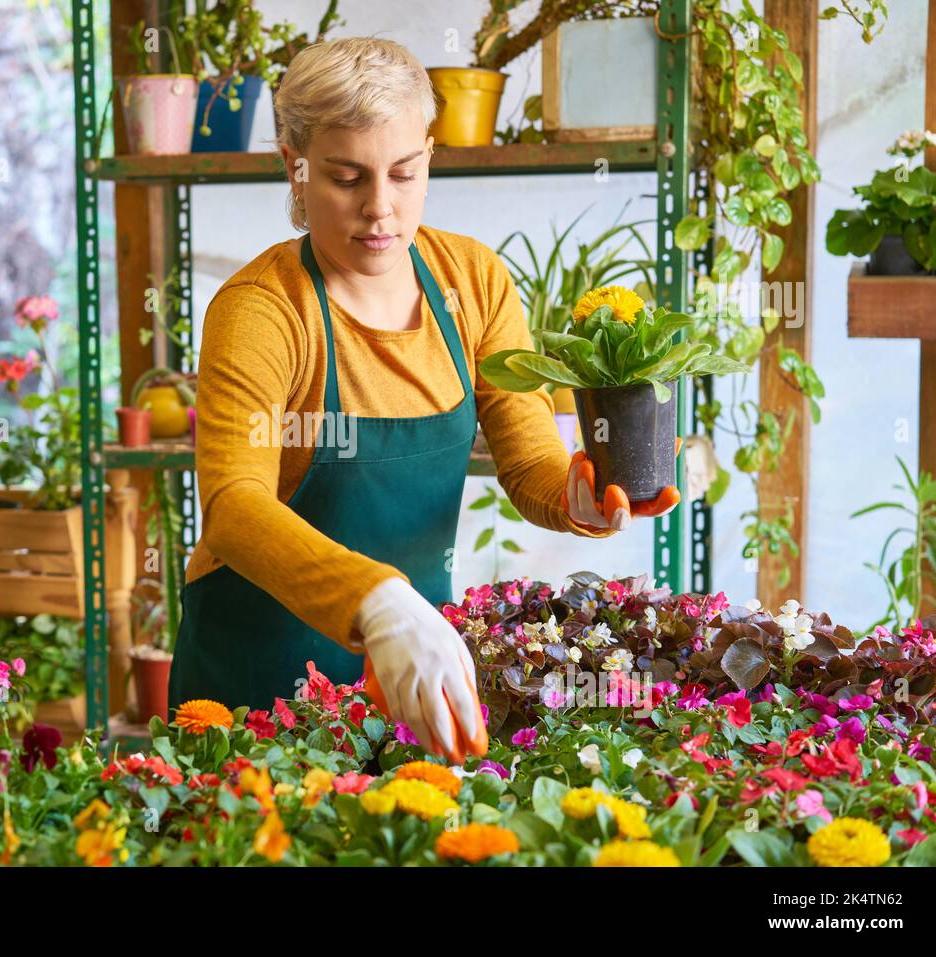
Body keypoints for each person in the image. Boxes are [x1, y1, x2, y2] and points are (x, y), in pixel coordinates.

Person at [167, 37, 679, 757]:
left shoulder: (472, 282)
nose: (381, 208)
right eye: (347, 177)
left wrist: (577, 498)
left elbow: (529, 456)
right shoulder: (262, 310)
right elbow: (232, 503)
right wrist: (377, 601)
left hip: (415, 671)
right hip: (258, 681)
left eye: (404, 173)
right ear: (296, 165)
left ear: (430, 157)